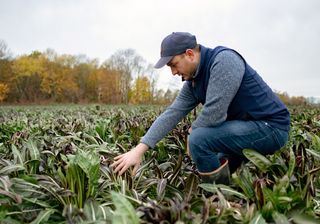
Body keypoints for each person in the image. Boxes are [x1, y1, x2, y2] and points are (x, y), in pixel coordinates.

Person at [111, 32, 290, 184]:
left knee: (199, 139)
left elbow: (214, 114)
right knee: (214, 156)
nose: (173, 72)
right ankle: (237, 180)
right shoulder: (193, 82)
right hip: (245, 127)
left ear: (189, 54)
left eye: (173, 64)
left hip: (271, 127)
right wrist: (138, 150)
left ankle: (219, 198)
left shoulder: (224, 60)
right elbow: (172, 114)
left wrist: (191, 133)